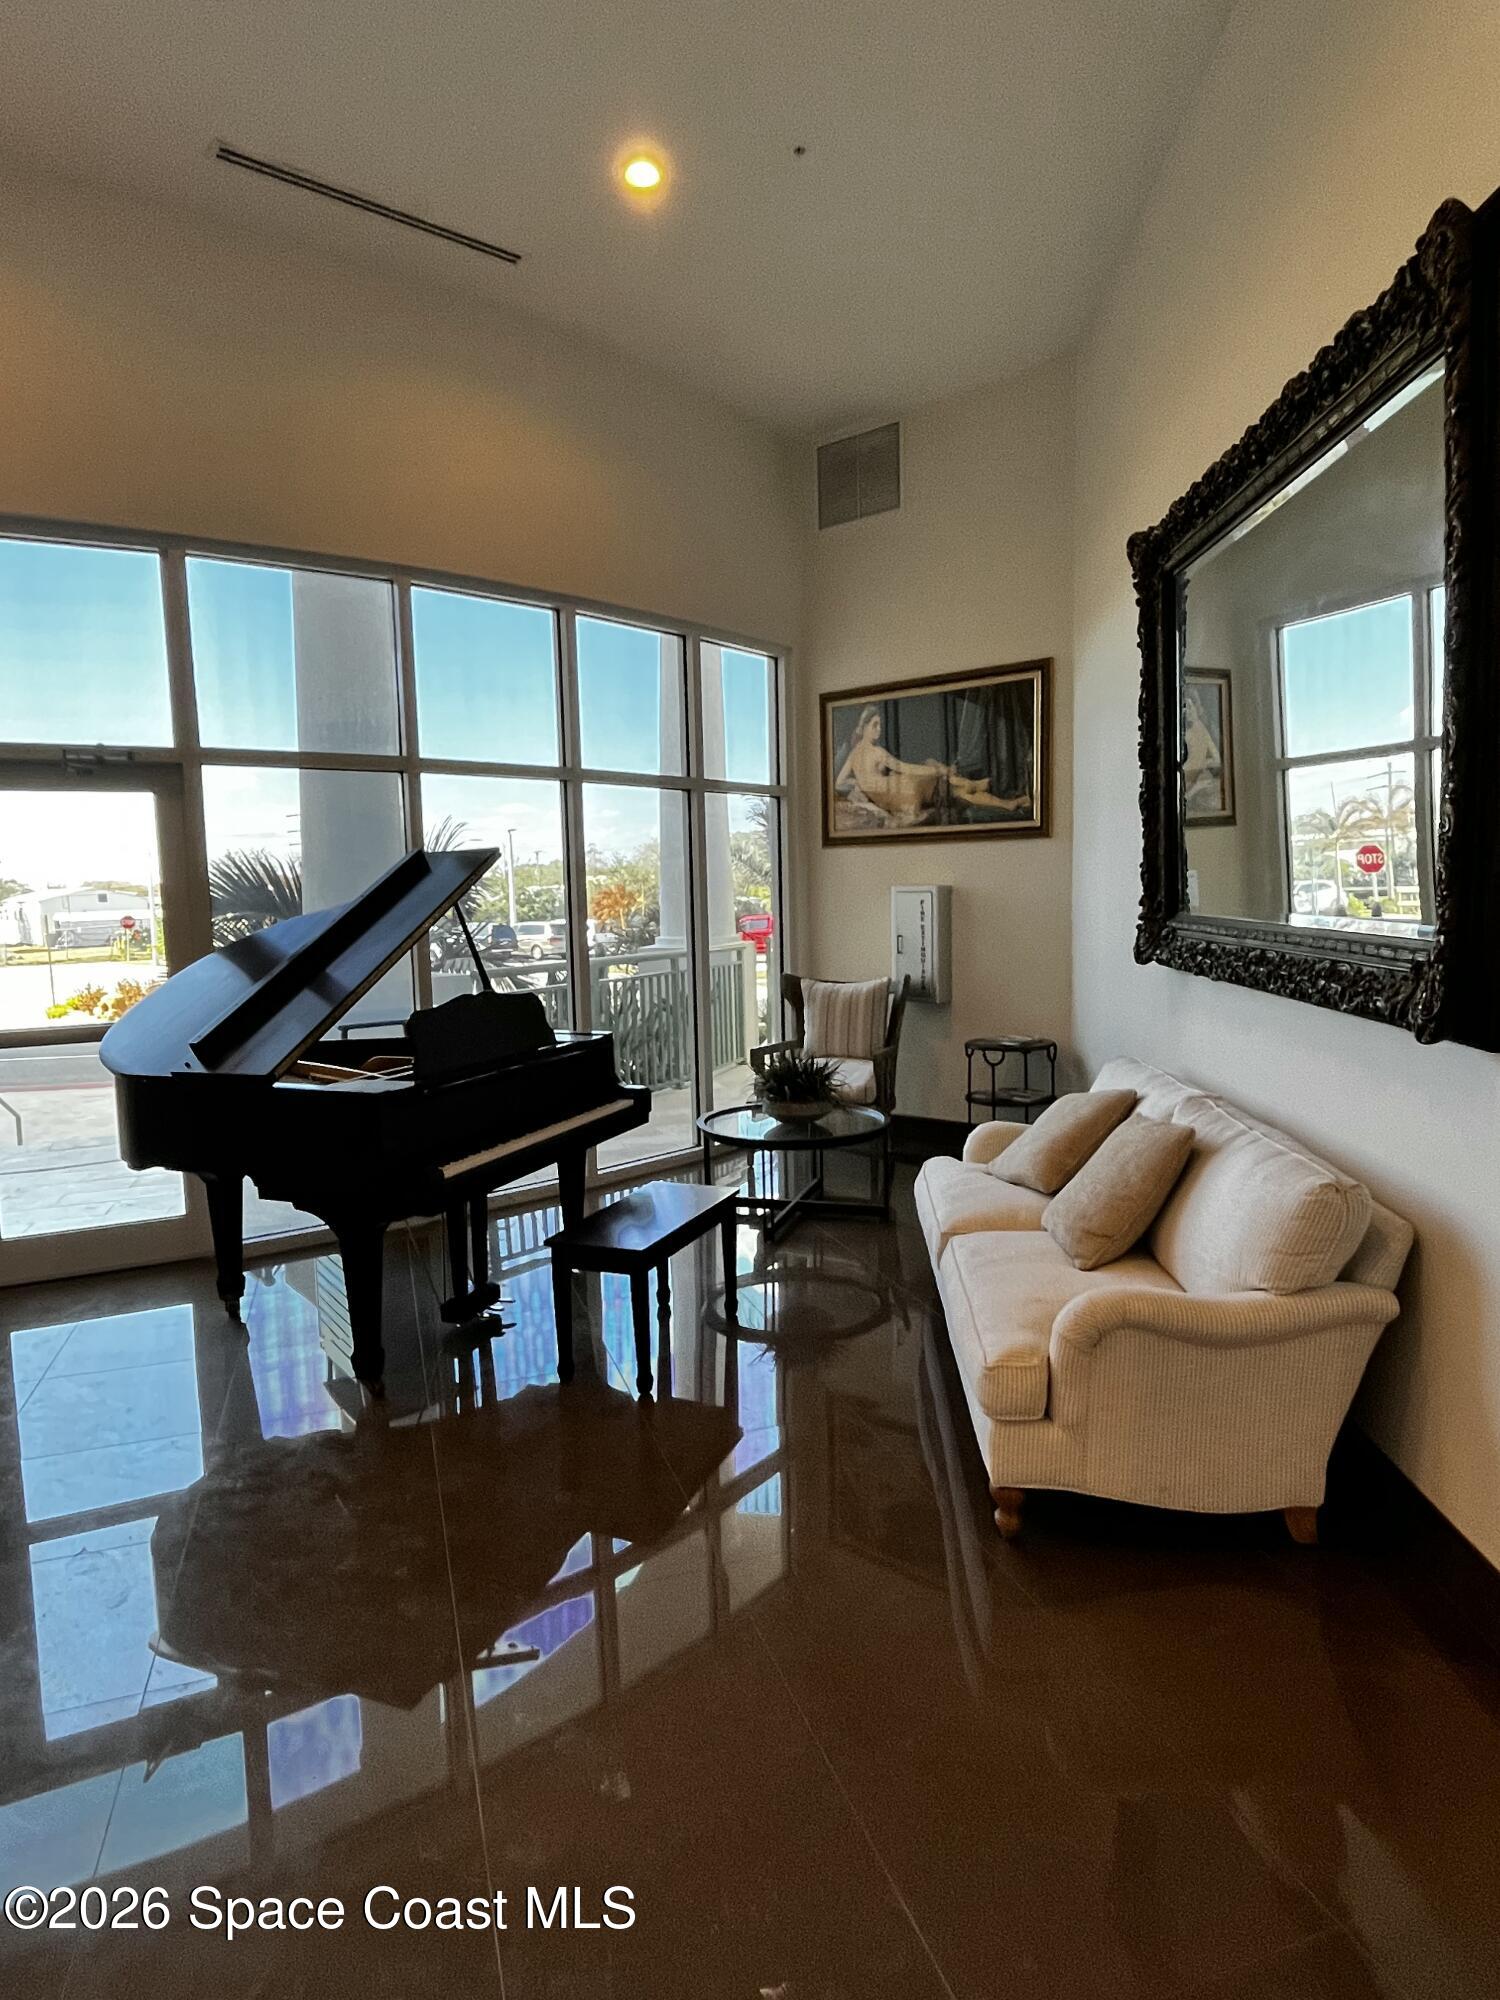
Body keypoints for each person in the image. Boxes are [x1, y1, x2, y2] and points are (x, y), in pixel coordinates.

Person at [834, 706, 1030, 823]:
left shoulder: (853, 756)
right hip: (905, 793)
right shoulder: (877, 752)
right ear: (864, 727)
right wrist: (937, 770)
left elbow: (838, 784)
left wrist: (857, 784)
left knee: (955, 791)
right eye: (875, 725)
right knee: (938, 773)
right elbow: (906, 768)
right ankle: (966, 782)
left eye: (880, 724)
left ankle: (1004, 802)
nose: (879, 729)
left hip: (894, 799)